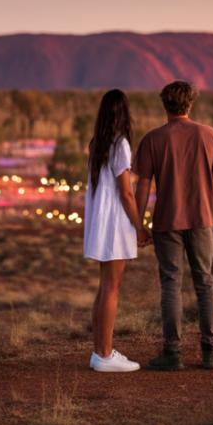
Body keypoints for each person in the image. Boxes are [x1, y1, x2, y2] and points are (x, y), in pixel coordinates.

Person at [133, 81, 213, 371]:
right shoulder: (209, 134)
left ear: (165, 105)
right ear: (190, 103)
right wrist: (211, 209)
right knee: (205, 282)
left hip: (166, 221)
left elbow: (143, 186)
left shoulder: (153, 139)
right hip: (202, 219)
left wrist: (138, 223)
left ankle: (172, 354)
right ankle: (209, 353)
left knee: (171, 284)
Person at [84, 88, 151, 372]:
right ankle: (105, 355)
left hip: (102, 222)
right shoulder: (120, 144)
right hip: (114, 223)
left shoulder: (97, 143)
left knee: (104, 288)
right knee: (112, 288)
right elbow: (126, 193)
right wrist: (140, 227)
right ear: (124, 113)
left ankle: (100, 352)